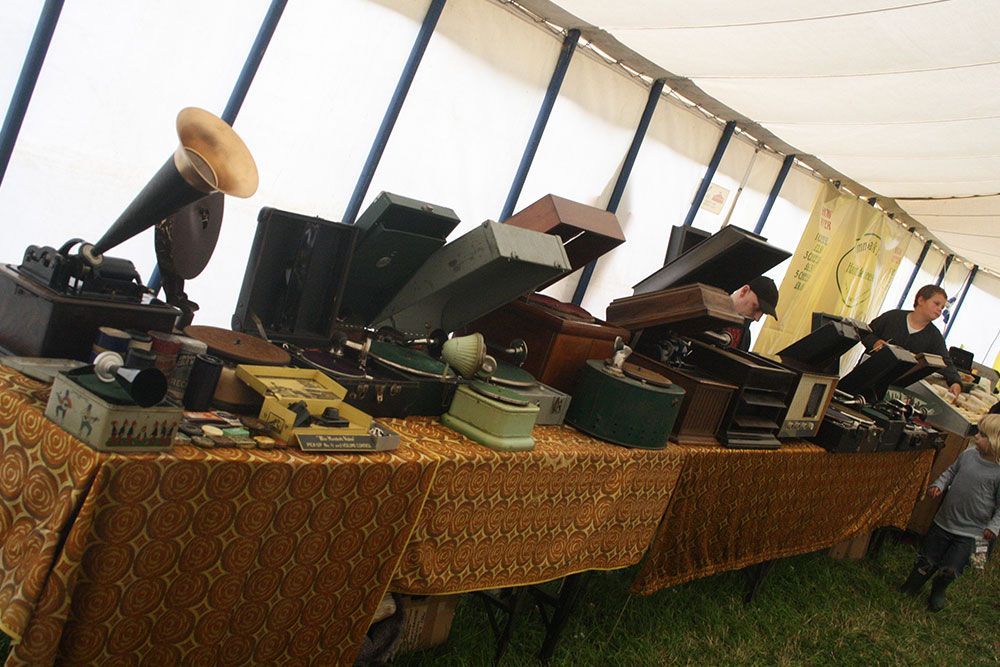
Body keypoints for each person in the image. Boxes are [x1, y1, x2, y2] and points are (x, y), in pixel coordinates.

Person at [898, 414, 1000, 611]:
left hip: (971, 532)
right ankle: (912, 585)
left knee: (952, 567)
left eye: (983, 435)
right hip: (944, 521)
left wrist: (993, 527)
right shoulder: (968, 455)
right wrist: (940, 484)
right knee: (927, 557)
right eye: (978, 433)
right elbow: (951, 472)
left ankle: (939, 588)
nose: (976, 437)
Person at [861, 284, 962, 398]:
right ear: (921, 300)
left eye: (942, 307)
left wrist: (956, 382)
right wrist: (875, 342)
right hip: (865, 375)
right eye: (936, 304)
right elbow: (865, 332)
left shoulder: (935, 337)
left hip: (894, 389)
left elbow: (945, 362)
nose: (940, 309)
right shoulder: (892, 317)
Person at [725, 276, 779, 352]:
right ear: (744, 290)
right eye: (756, 308)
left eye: (763, 313)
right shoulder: (709, 312)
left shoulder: (745, 335)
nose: (757, 319)